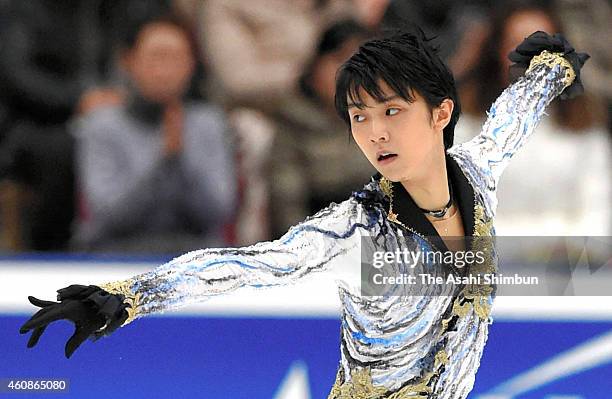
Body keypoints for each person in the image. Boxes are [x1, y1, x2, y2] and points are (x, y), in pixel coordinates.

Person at [19, 29, 588, 398]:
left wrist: (552, 68)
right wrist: (128, 298)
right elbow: (246, 265)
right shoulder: (354, 230)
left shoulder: (478, 175)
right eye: (359, 116)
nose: (375, 132)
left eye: (392, 110)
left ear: (441, 113)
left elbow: (513, 115)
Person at [71, 15, 237, 253]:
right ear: (128, 61)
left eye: (176, 58)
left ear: (192, 64)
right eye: (157, 57)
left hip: (194, 260)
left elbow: (217, 212)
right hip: (115, 259)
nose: (165, 71)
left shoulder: (209, 123)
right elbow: (108, 216)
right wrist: (163, 161)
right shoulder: (102, 124)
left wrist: (180, 161)